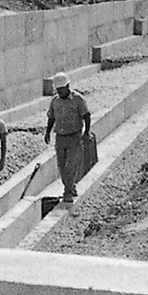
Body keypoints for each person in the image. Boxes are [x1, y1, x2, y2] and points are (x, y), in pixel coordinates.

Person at [43, 72, 92, 204]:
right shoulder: (55, 101)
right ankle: (70, 186)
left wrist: (86, 132)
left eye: (62, 89)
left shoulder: (78, 99)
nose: (60, 92)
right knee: (62, 166)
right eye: (58, 90)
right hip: (60, 137)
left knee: (71, 165)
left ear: (68, 86)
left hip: (74, 136)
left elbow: (86, 115)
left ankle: (67, 192)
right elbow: (51, 117)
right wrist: (47, 132)